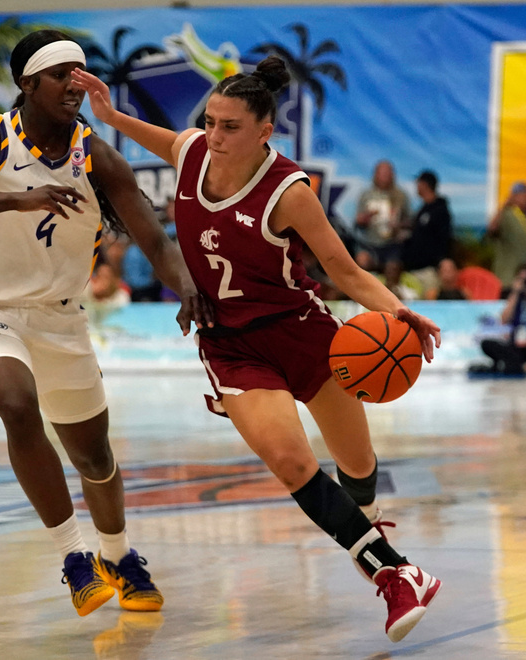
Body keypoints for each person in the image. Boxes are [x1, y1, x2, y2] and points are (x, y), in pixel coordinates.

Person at [73, 57, 443, 642]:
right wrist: (111, 114)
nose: (214, 136)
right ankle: (397, 573)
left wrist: (397, 312)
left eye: (230, 127)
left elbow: (344, 270)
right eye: (211, 121)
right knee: (293, 464)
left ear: (264, 131)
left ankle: (365, 527)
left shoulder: (289, 191)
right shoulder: (194, 151)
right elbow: (168, 138)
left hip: (303, 332)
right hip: (231, 344)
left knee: (358, 466)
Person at [0, 30, 203, 618]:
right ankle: (73, 557)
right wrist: (12, 200)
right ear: (27, 83)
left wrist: (187, 286)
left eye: (80, 73)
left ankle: (118, 556)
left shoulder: (98, 156)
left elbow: (153, 237)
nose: (74, 84)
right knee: (17, 406)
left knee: (94, 457)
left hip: (62, 320)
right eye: (60, 74)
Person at [352, 160, 410, 270]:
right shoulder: (366, 195)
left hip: (393, 244)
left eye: (388, 174)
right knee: (361, 260)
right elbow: (358, 221)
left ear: (393, 175)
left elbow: (409, 221)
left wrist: (398, 225)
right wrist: (365, 218)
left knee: (394, 266)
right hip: (370, 243)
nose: (385, 177)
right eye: (382, 174)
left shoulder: (401, 195)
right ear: (375, 175)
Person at [470, 263, 526, 376]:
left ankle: (514, 365)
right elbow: (504, 319)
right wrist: (515, 292)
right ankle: (516, 365)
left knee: (512, 365)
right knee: (487, 344)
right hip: (515, 346)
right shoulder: (517, 299)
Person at [401, 170, 452, 290]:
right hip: (415, 268)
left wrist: (439, 262)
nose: (416, 187)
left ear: (424, 185)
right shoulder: (423, 209)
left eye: (418, 183)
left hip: (429, 269)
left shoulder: (440, 210)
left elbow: (444, 238)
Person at [486, 181, 526, 295]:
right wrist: (505, 205)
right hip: (508, 279)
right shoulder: (507, 214)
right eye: (520, 195)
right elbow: (492, 229)